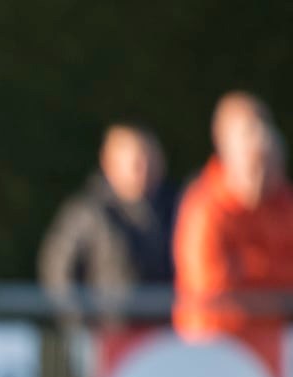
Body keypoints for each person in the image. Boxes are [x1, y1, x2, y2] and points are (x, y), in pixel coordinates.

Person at [173, 92, 293, 347]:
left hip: (276, 345)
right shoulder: (205, 206)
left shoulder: (283, 202)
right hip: (218, 347)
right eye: (254, 163)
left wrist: (246, 271)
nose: (262, 172)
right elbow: (210, 288)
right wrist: (271, 283)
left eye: (268, 161)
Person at [38, 124, 175, 322]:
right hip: (108, 332)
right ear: (110, 163)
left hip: (166, 333)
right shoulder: (87, 213)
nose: (145, 170)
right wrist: (79, 325)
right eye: (136, 163)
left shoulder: (175, 206)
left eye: (150, 160)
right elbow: (57, 271)